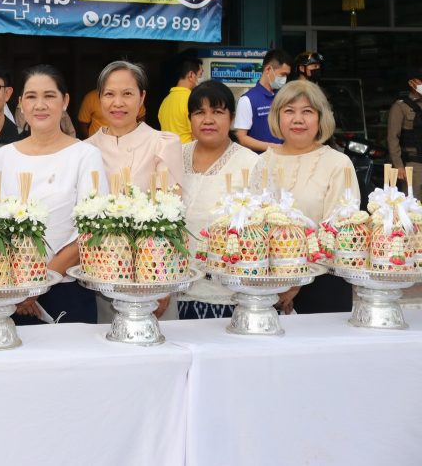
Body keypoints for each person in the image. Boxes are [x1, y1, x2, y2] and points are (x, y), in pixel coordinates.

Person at [0, 65, 108, 324]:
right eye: (31, 97)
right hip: (10, 291)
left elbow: (91, 230)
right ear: (20, 103)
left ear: (65, 101)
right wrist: (20, 289)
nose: (40, 105)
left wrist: (38, 285)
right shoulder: (2, 157)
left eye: (49, 96)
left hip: (67, 288)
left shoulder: (85, 155)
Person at [87, 61, 183, 321]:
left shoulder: (163, 143)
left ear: (142, 98)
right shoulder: (85, 150)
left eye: (127, 93)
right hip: (102, 274)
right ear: (99, 98)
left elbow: (170, 216)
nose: (118, 103)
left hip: (154, 277)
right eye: (109, 94)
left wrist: (161, 282)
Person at [252, 80, 359, 315]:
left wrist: (295, 284)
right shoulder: (263, 162)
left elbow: (339, 230)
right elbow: (253, 223)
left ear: (320, 118)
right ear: (277, 116)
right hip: (269, 284)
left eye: (307, 112)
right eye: (289, 111)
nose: (298, 119)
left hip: (324, 281)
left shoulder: (338, 164)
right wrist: (278, 284)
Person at [177, 81, 259, 319]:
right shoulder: (174, 156)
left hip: (226, 295)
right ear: (189, 119)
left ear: (231, 118)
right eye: (199, 112)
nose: (208, 120)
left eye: (217, 112)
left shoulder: (251, 163)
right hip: (172, 289)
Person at [234, 49, 292, 153]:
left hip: (283, 158)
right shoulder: (247, 99)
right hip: (259, 159)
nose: (284, 79)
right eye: (282, 74)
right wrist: (273, 147)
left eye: (286, 75)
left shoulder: (283, 97)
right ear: (268, 69)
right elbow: (241, 138)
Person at [387, 68, 422, 199]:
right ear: (412, 83)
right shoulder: (401, 106)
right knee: (413, 203)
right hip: (414, 164)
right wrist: (399, 166)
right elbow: (393, 137)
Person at [157, 56, 203, 144]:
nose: (202, 78)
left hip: (167, 150)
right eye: (200, 74)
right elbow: (196, 135)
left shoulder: (165, 101)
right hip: (186, 150)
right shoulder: (192, 99)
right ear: (191, 75)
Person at [76, 87, 146, 139]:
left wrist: (137, 136)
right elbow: (83, 123)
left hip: (127, 143)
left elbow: (141, 116)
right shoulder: (91, 97)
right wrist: (91, 141)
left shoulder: (133, 97)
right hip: (99, 145)